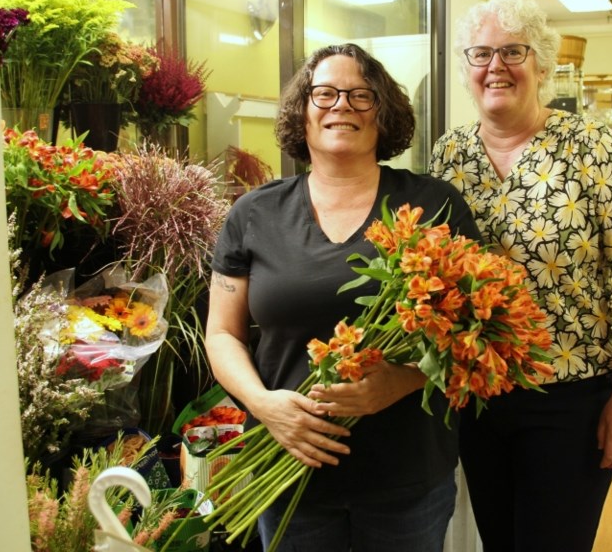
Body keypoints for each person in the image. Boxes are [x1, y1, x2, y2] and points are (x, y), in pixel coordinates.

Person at [205, 43, 481, 552]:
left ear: (384, 112)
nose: (342, 106)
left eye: (361, 95)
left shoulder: (434, 205)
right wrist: (264, 405)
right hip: (289, 470)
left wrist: (398, 382)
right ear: (302, 111)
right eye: (325, 93)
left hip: (406, 476)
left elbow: (470, 334)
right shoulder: (254, 213)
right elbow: (222, 333)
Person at [430, 0, 612, 551]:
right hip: (478, 398)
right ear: (466, 69)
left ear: (542, 65)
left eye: (513, 51)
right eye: (481, 53)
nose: (496, 66)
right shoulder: (449, 155)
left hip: (571, 397)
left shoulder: (590, 147)